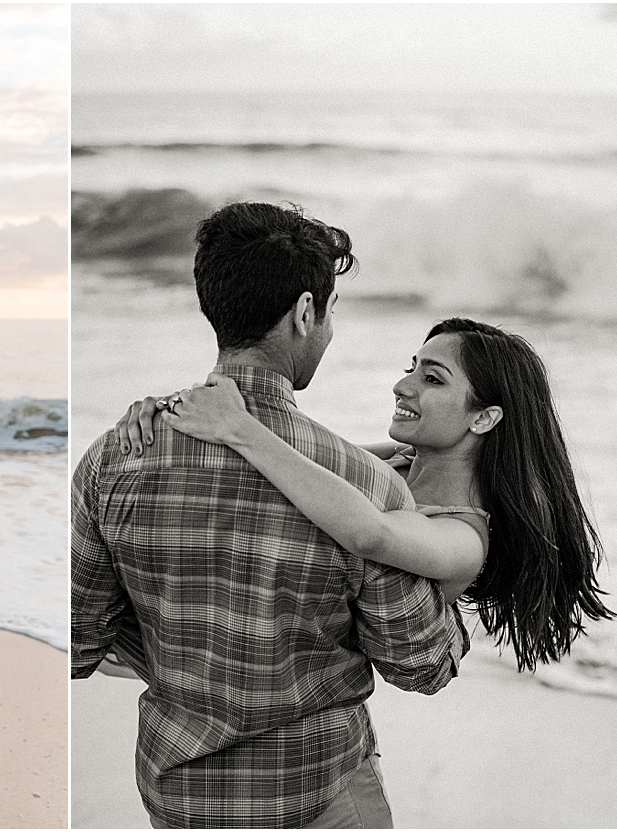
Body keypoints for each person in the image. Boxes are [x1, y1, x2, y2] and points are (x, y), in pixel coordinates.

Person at [71, 202, 468, 828]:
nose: (330, 330)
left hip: (184, 803)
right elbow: (420, 665)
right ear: (305, 313)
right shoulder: (360, 486)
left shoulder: (113, 458)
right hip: (323, 795)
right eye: (331, 311)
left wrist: (183, 645)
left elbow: (75, 642)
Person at [113, 317, 614, 671]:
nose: (402, 384)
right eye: (412, 366)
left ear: (483, 418)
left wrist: (239, 427)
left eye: (432, 378)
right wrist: (169, 415)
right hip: (227, 649)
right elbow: (289, 460)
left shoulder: (463, 536)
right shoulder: (394, 462)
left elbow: (370, 534)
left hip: (294, 692)